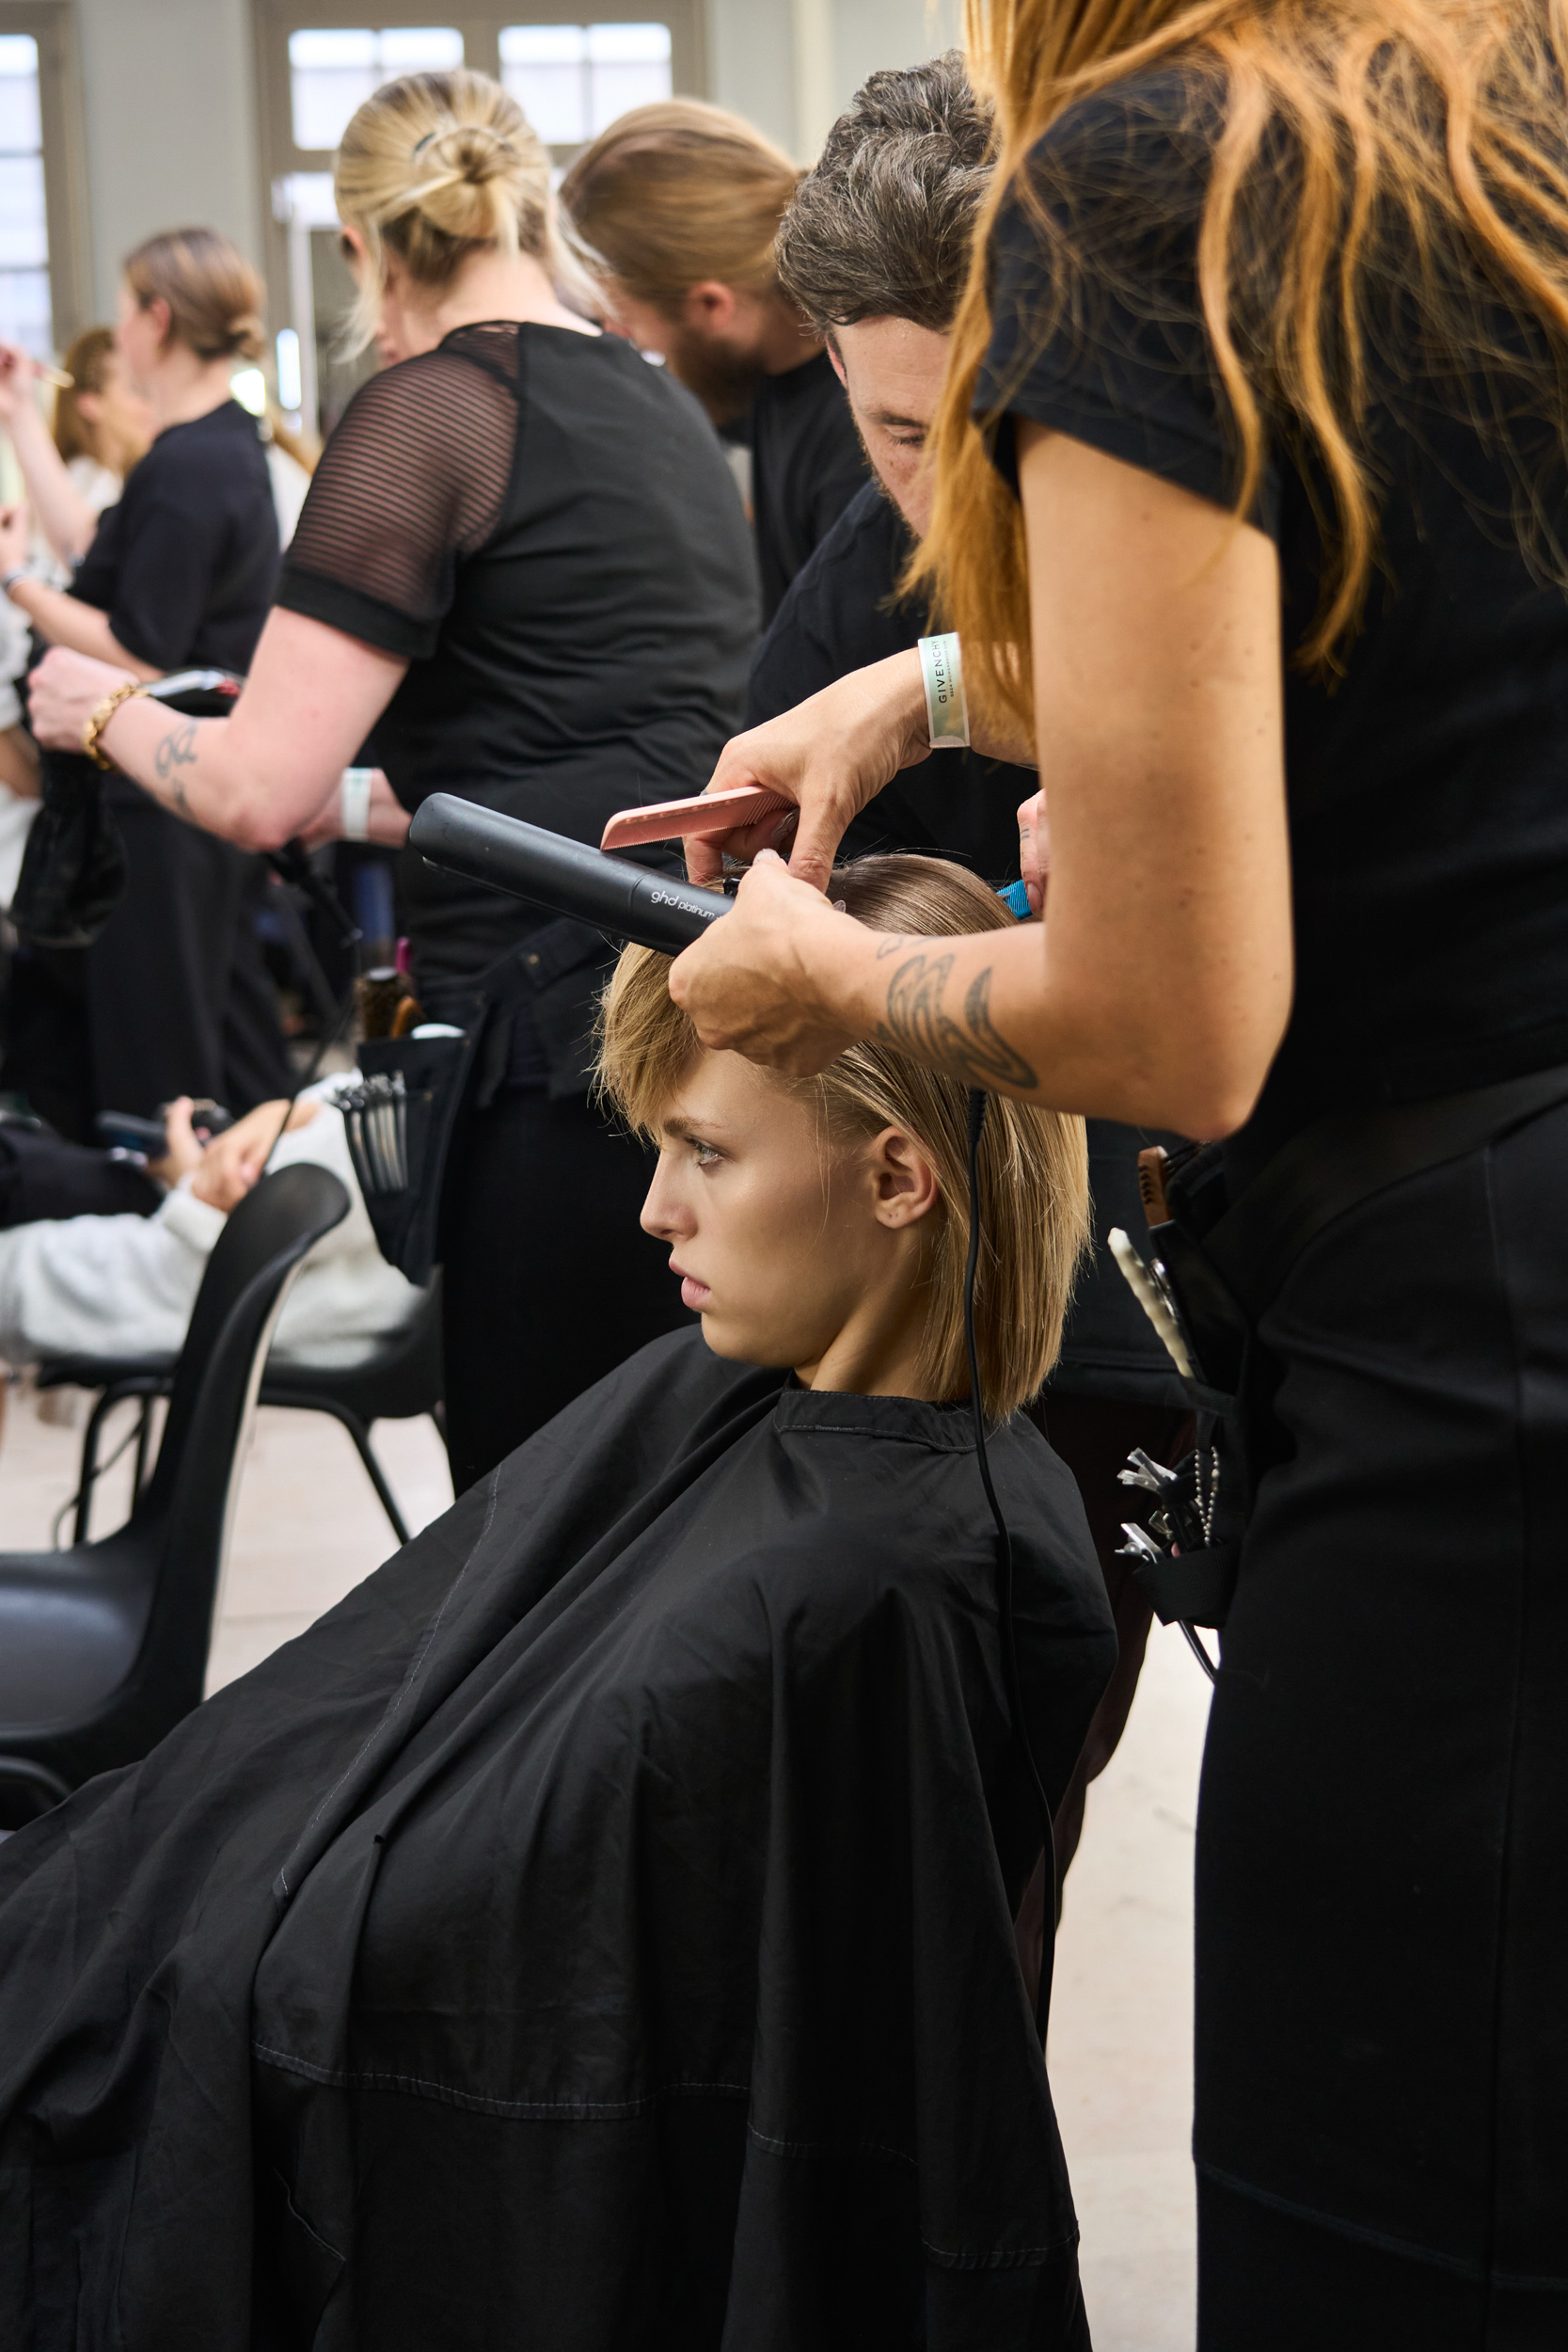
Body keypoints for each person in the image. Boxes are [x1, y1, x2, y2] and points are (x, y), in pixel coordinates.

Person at [656, 2, 1568, 2340]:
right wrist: (929, 688)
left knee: (1389, 2212)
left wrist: (835, 982)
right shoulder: (1480, 141)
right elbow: (1387, 650)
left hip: (1461, 1372)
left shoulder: (1147, 181)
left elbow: (1174, 1020)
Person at [0, 852, 1114, 2351]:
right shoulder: (761, 1444)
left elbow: (528, 2011)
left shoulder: (855, 1591)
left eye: (706, 1156)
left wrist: (235, 1953)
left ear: (898, 1176)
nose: (653, 1211)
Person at [26, 68, 758, 1496]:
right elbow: (560, 757)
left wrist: (102, 709)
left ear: (362, 251)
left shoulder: (435, 407)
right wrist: (331, 783)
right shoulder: (651, 402)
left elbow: (250, 793)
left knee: (538, 1519)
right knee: (646, 1504)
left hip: (545, 1052)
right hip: (685, 1006)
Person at [757, 53, 1191, 1890]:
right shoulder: (871, 556)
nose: (953, 488)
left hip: (1102, 1285)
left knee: (995, 1817)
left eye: (993, 419)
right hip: (921, 1279)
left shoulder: (1156, 487)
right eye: (895, 430)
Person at [0, 230, 292, 1140]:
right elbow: (102, 555)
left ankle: (180, 1246)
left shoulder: (190, 464)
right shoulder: (209, 450)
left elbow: (136, 651)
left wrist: (15, 583)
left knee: (157, 1063)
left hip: (160, 807)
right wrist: (16, 411)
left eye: (127, 309)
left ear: (156, 321)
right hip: (186, 797)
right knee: (225, 1032)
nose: (117, 330)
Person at [559, 100, 868, 620]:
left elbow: (911, 684)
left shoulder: (861, 435)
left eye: (623, 321)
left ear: (710, 305)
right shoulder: (770, 375)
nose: (617, 338)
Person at [0, 1087, 421, 1374]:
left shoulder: (415, 1098)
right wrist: (284, 1112)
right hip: (217, 1250)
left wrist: (192, 1175)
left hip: (220, 1279)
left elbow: (256, 1228)